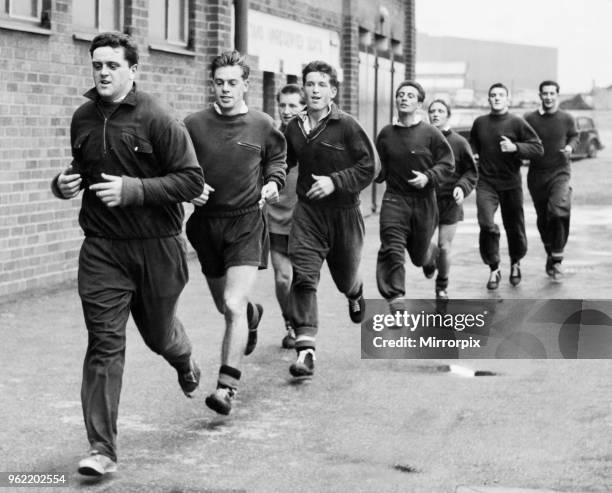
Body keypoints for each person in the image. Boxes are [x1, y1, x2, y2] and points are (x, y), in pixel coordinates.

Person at [50, 32, 204, 476]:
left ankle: (182, 355)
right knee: (104, 343)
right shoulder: (82, 118)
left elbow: (191, 182)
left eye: (112, 65)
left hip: (157, 248)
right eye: (97, 64)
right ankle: (102, 449)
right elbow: (79, 169)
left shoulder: (158, 118)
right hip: (102, 249)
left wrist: (133, 189)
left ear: (132, 71)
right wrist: (62, 184)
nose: (102, 71)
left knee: (158, 335)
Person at [184, 51, 286, 414]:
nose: (225, 89)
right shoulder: (193, 124)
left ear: (246, 84)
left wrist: (274, 182)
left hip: (246, 222)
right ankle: (252, 316)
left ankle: (227, 388)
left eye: (232, 83)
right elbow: (177, 168)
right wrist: (188, 189)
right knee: (225, 308)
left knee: (232, 304)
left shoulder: (262, 123)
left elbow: (277, 159)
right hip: (206, 226)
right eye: (219, 82)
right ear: (212, 84)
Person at [283, 60, 376, 378]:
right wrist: (270, 179)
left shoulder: (347, 125)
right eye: (310, 84)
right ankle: (305, 350)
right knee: (304, 276)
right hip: (309, 213)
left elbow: (369, 167)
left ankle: (355, 290)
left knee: (344, 276)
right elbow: (284, 160)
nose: (315, 90)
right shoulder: (294, 127)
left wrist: (336, 181)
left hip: (345, 214)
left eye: (322, 84)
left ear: (333, 91)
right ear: (303, 88)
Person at [375, 82, 454, 309]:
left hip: (424, 202)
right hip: (394, 199)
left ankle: (430, 254)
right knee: (392, 246)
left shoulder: (431, 134)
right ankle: (396, 296)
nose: (404, 98)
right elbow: (380, 169)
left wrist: (428, 177)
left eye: (410, 95)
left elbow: (447, 164)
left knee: (418, 257)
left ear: (419, 103)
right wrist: (370, 174)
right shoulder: (387, 134)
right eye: (400, 95)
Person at [469, 82, 543, 290]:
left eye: (501, 95)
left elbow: (538, 148)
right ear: (489, 99)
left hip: (510, 183)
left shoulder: (517, 123)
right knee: (486, 223)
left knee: (514, 226)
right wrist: (474, 152)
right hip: (486, 182)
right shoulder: (480, 122)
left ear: (508, 99)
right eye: (493, 95)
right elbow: (473, 142)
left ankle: (516, 262)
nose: (497, 98)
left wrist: (515, 147)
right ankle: (494, 267)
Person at [524, 80, 579, 281]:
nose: (548, 97)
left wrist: (571, 147)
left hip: (560, 172)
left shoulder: (567, 118)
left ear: (557, 95)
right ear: (540, 96)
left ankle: (557, 257)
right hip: (537, 175)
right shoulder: (529, 118)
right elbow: (522, 140)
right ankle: (550, 250)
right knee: (543, 217)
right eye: (544, 93)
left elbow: (574, 135)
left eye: (552, 93)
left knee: (558, 210)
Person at [427, 99, 478, 300]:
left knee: (444, 245)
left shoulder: (459, 142)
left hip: (450, 201)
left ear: (448, 115)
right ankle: (428, 259)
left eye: (440, 111)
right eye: (432, 111)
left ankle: (442, 285)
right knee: (421, 245)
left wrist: (461, 187)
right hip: (426, 201)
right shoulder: (423, 139)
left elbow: (471, 173)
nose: (436, 114)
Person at [266, 84, 305, 349]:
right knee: (283, 278)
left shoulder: (313, 137)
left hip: (306, 222)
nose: (287, 110)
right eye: (283, 105)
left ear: (303, 107)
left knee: (302, 281)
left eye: (293, 105)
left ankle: (304, 327)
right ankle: (290, 324)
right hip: (275, 217)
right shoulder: (270, 137)